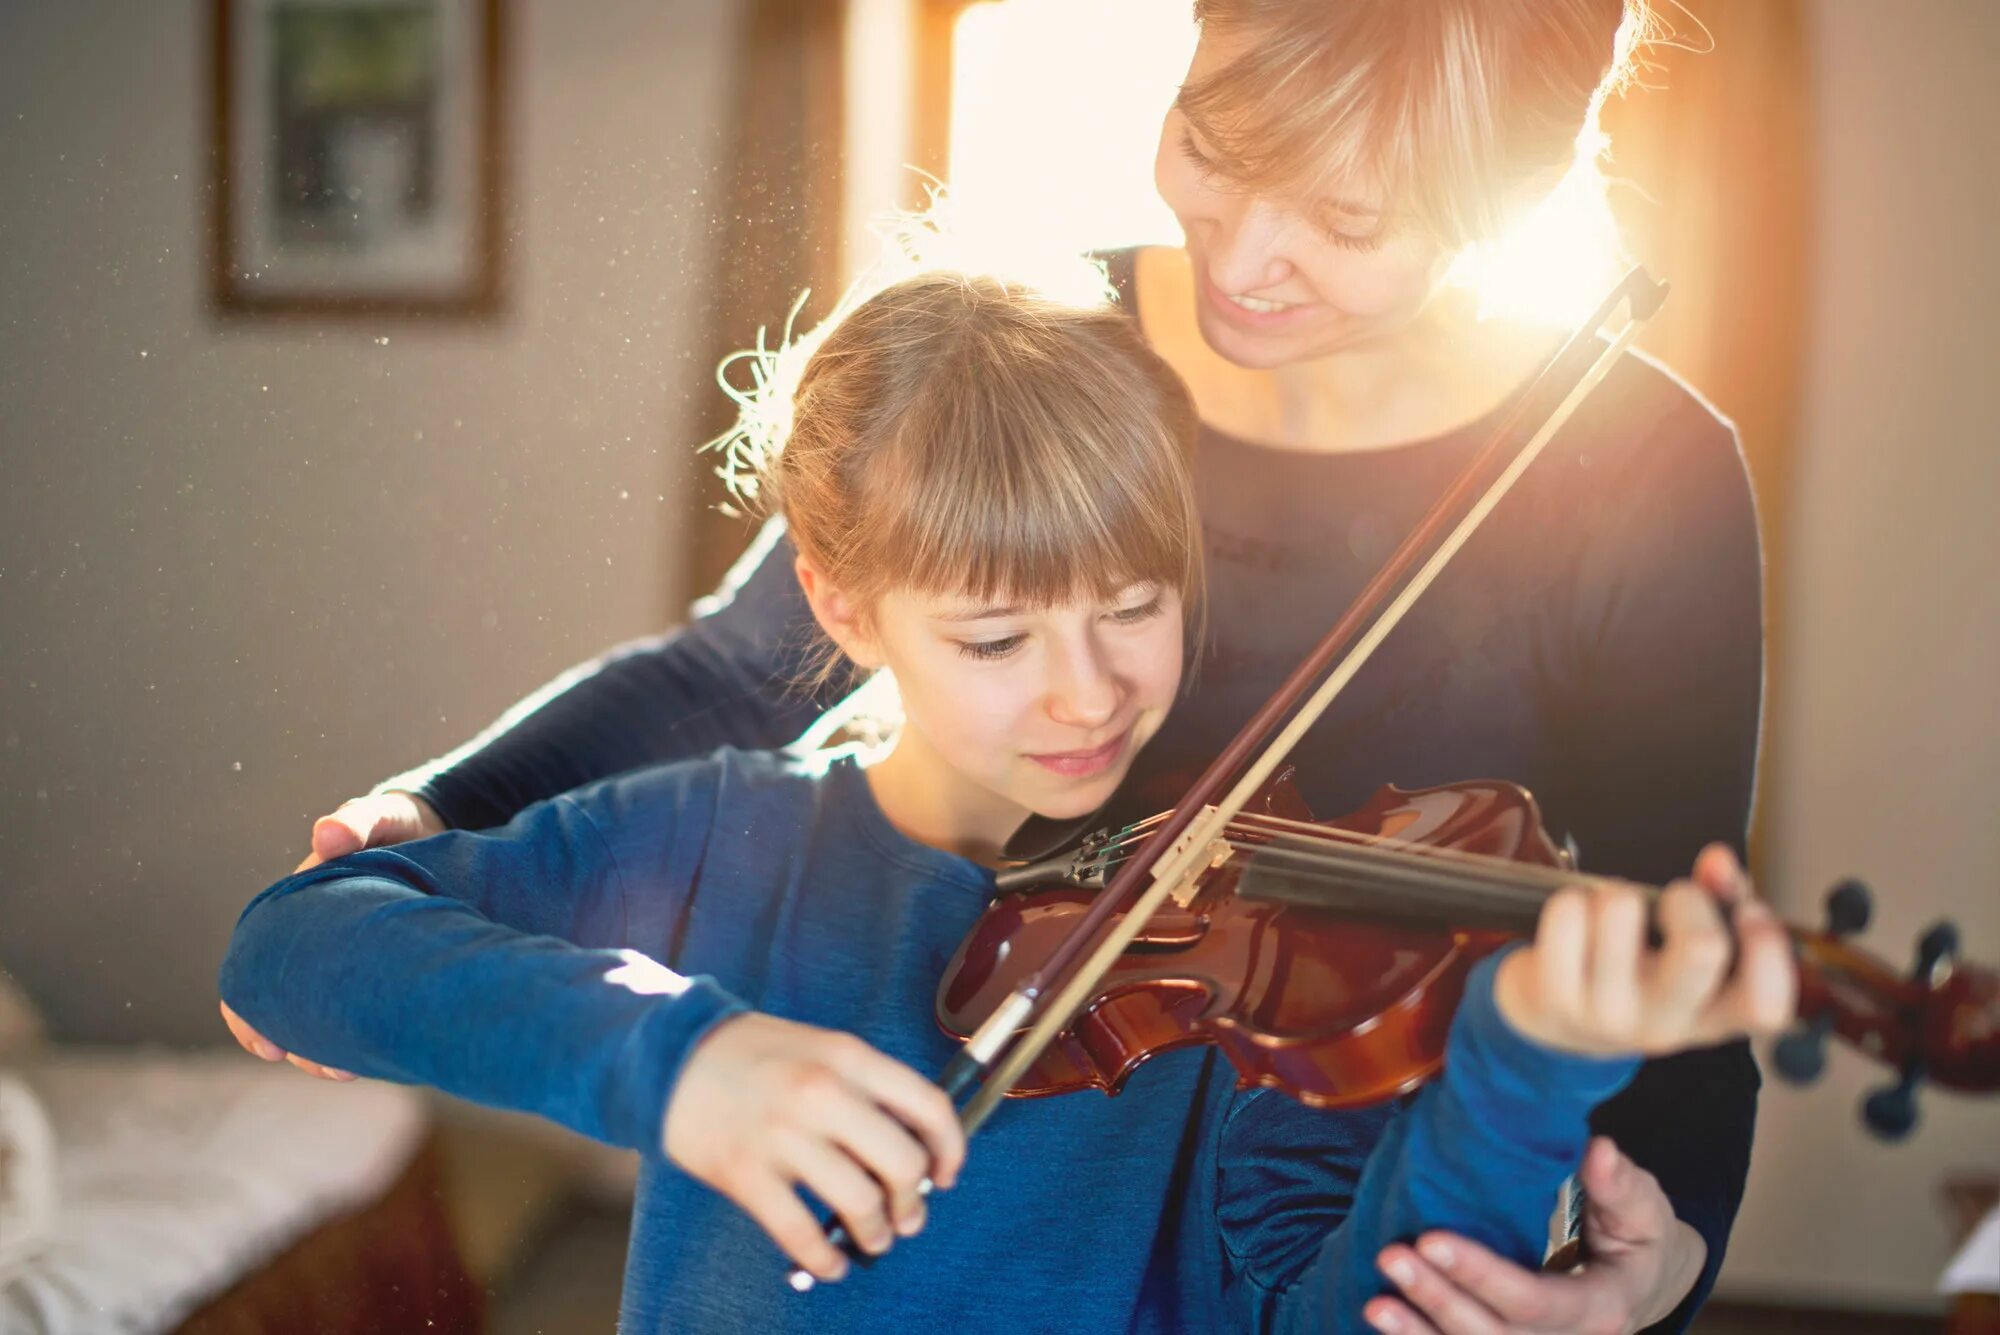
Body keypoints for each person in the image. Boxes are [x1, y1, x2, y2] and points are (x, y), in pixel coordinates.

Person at [223, 3, 1767, 1331]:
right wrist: (440, 816)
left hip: (1298, 1185)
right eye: (1214, 148)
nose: (1244, 258)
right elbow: (744, 671)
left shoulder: (1639, 476)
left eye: (1348, 222)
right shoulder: (1064, 360)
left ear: (1512, 200)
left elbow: (1656, 939)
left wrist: (1659, 1253)